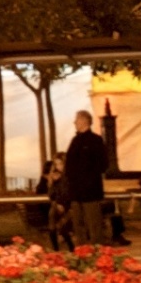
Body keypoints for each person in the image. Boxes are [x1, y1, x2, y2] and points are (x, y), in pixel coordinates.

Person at [57, 106, 115, 250]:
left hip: (90, 192)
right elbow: (70, 165)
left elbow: (102, 164)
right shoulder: (75, 141)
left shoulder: (95, 141)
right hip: (76, 192)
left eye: (76, 120)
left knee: (94, 223)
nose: (74, 122)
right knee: (78, 224)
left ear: (84, 121)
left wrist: (88, 178)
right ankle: (82, 250)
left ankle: (97, 250)